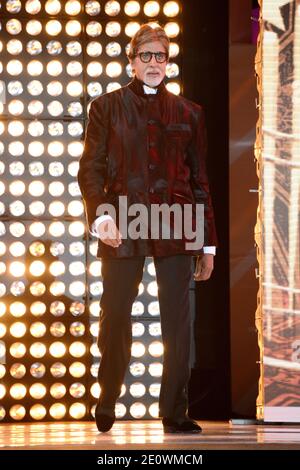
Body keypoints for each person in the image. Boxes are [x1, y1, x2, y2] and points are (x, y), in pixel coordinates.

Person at [78, 24, 217, 434]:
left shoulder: (191, 112)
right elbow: (91, 170)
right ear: (132, 60)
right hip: (123, 221)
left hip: (177, 224)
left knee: (178, 322)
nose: (153, 63)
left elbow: (200, 181)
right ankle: (107, 398)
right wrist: (101, 216)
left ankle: (175, 411)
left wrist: (208, 244)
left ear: (168, 61)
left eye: (160, 56)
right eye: (146, 56)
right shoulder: (105, 107)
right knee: (115, 315)